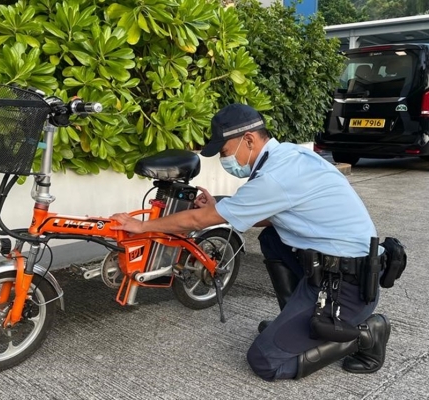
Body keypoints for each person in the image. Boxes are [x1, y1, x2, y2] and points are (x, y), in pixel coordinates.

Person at [110, 103, 390, 381]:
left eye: (224, 151)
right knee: (272, 237)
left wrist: (141, 226)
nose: (224, 159)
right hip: (336, 270)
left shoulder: (274, 177)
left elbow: (197, 222)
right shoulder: (289, 156)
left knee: (266, 362)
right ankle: (294, 322)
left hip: (347, 288)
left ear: (248, 139)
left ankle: (366, 335)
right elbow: (267, 214)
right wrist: (217, 205)